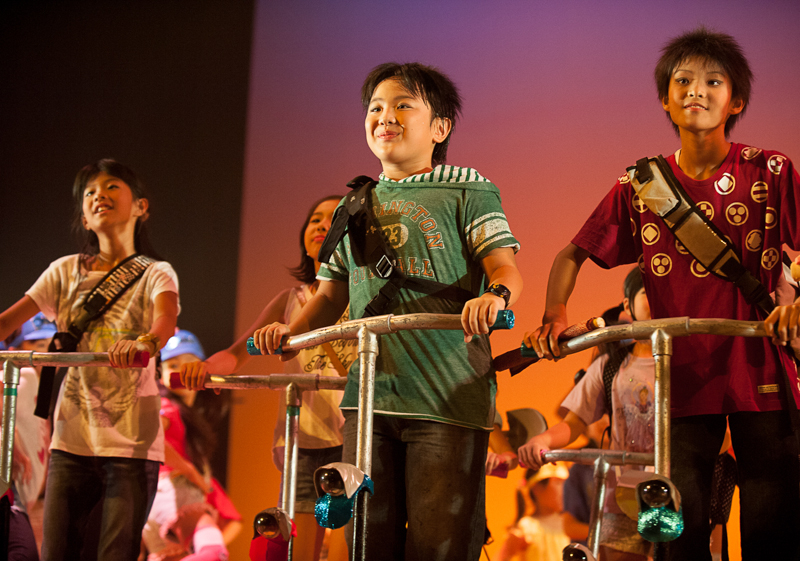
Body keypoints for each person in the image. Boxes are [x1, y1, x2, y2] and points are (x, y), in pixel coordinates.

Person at [527, 28, 800, 560]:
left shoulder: (770, 170)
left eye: (713, 81)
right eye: (683, 81)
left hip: (761, 368)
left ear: (736, 101)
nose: (696, 90)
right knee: (678, 524)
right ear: (665, 99)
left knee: (774, 524)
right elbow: (570, 254)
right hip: (680, 379)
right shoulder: (641, 185)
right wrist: (555, 314)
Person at [253, 62, 523, 560]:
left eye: (403, 105)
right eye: (376, 107)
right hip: (367, 403)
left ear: (440, 127)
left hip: (446, 399)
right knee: (366, 544)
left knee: (437, 545)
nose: (385, 117)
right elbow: (329, 297)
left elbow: (505, 268)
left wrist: (496, 296)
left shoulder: (469, 188)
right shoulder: (353, 205)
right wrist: (289, 335)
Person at [0, 159, 180, 561]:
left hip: (132, 445)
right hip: (72, 440)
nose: (100, 195)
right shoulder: (64, 271)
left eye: (112, 186)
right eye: (90, 192)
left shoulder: (156, 272)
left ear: (141, 207)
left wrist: (145, 343)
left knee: (115, 553)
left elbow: (165, 321)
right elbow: (7, 323)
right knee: (57, 553)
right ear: (83, 216)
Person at [180, 195, 357, 561]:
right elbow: (236, 353)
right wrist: (206, 367)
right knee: (300, 552)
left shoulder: (363, 295)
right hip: (304, 441)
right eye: (314, 219)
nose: (321, 225)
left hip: (352, 437)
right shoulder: (289, 299)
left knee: (346, 549)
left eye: (332, 218)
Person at [520, 267, 653, 561]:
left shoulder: (688, 362)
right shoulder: (610, 366)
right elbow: (574, 422)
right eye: (648, 292)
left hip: (676, 492)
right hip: (622, 497)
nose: (657, 298)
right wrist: (542, 440)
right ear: (628, 305)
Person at [142, 329, 239, 561]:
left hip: (156, 503)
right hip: (175, 494)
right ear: (161, 373)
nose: (181, 372)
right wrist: (189, 470)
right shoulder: (166, 407)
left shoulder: (183, 414)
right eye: (173, 365)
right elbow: (151, 436)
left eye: (189, 365)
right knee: (214, 553)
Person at [496, 463, 571, 561]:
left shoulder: (569, 523)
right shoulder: (527, 527)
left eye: (567, 483)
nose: (566, 490)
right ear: (537, 488)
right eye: (558, 483)